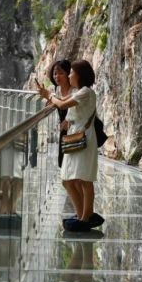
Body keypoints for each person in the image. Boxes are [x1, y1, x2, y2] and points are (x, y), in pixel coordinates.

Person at [38, 60, 103, 232]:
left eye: (72, 72)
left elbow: (61, 104)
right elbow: (61, 100)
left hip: (84, 138)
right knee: (68, 179)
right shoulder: (80, 92)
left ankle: (85, 217)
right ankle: (82, 214)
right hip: (75, 136)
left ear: (79, 75)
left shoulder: (86, 92)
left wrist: (47, 95)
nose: (69, 75)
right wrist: (50, 97)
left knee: (84, 179)